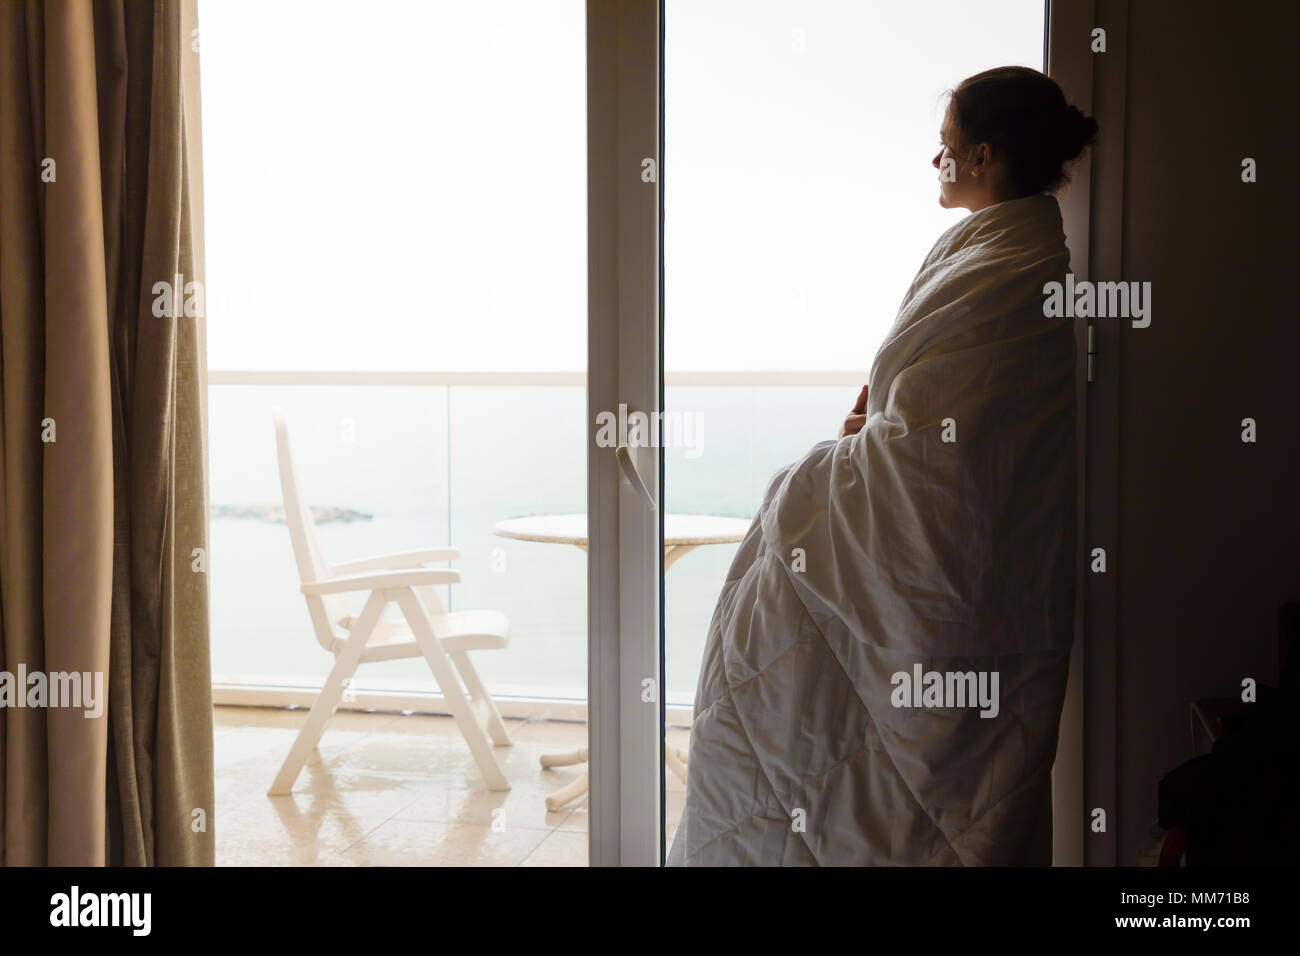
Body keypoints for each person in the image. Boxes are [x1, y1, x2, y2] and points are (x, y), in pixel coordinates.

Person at [669, 67, 1098, 866]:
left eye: (944, 149)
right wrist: (873, 435)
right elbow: (936, 427)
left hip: (973, 585)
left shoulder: (1008, 267)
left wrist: (823, 471)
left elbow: (948, 463)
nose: (933, 164)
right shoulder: (1006, 252)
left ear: (982, 156)